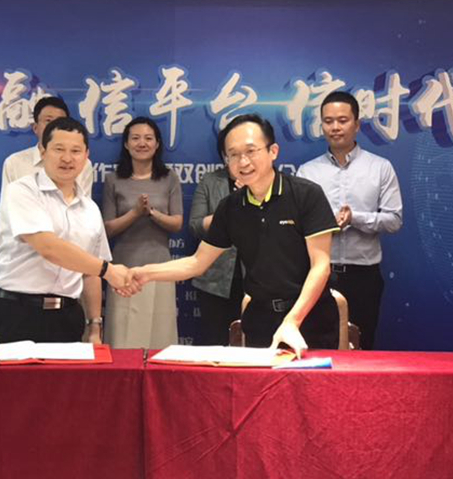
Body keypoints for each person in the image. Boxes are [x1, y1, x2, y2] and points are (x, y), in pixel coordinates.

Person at [130, 114, 339, 357]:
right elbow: (197, 263)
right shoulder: (231, 207)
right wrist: (145, 273)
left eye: (251, 151)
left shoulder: (306, 195)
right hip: (261, 321)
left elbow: (320, 266)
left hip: (311, 319)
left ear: (273, 151)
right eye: (234, 154)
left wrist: (293, 321)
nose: (243, 161)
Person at [0, 117, 132, 343]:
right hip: (17, 313)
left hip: (68, 316)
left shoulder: (90, 209)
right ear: (43, 151)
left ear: (86, 156)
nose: (67, 158)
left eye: (75, 151)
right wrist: (109, 271)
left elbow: (91, 273)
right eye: (59, 149)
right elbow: (48, 247)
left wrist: (95, 325)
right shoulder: (22, 191)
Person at [297, 91, 403, 349]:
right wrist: (323, 224)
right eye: (328, 121)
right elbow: (296, 224)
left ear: (357, 124)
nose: (335, 127)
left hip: (363, 277)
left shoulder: (380, 167)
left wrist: (355, 218)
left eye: (342, 120)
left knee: (361, 345)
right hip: (319, 275)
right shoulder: (308, 171)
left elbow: (394, 220)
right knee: (316, 347)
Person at [101, 117, 183, 349]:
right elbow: (107, 228)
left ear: (157, 144)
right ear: (126, 144)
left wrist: (151, 213)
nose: (142, 143)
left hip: (160, 268)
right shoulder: (113, 180)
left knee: (160, 335)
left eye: (148, 138)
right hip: (123, 269)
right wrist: (135, 213)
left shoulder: (169, 178)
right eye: (135, 138)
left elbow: (177, 223)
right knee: (123, 337)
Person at [188, 127, 243, 346]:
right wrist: (230, 206)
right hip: (215, 280)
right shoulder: (211, 181)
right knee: (215, 344)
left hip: (257, 281)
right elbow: (195, 226)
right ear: (224, 154)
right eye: (233, 154)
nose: (240, 160)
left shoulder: (265, 184)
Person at [1, 96, 94, 196]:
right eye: (48, 120)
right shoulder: (14, 163)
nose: (54, 127)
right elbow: (8, 204)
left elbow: (83, 202)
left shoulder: (82, 163)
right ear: (35, 128)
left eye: (60, 122)